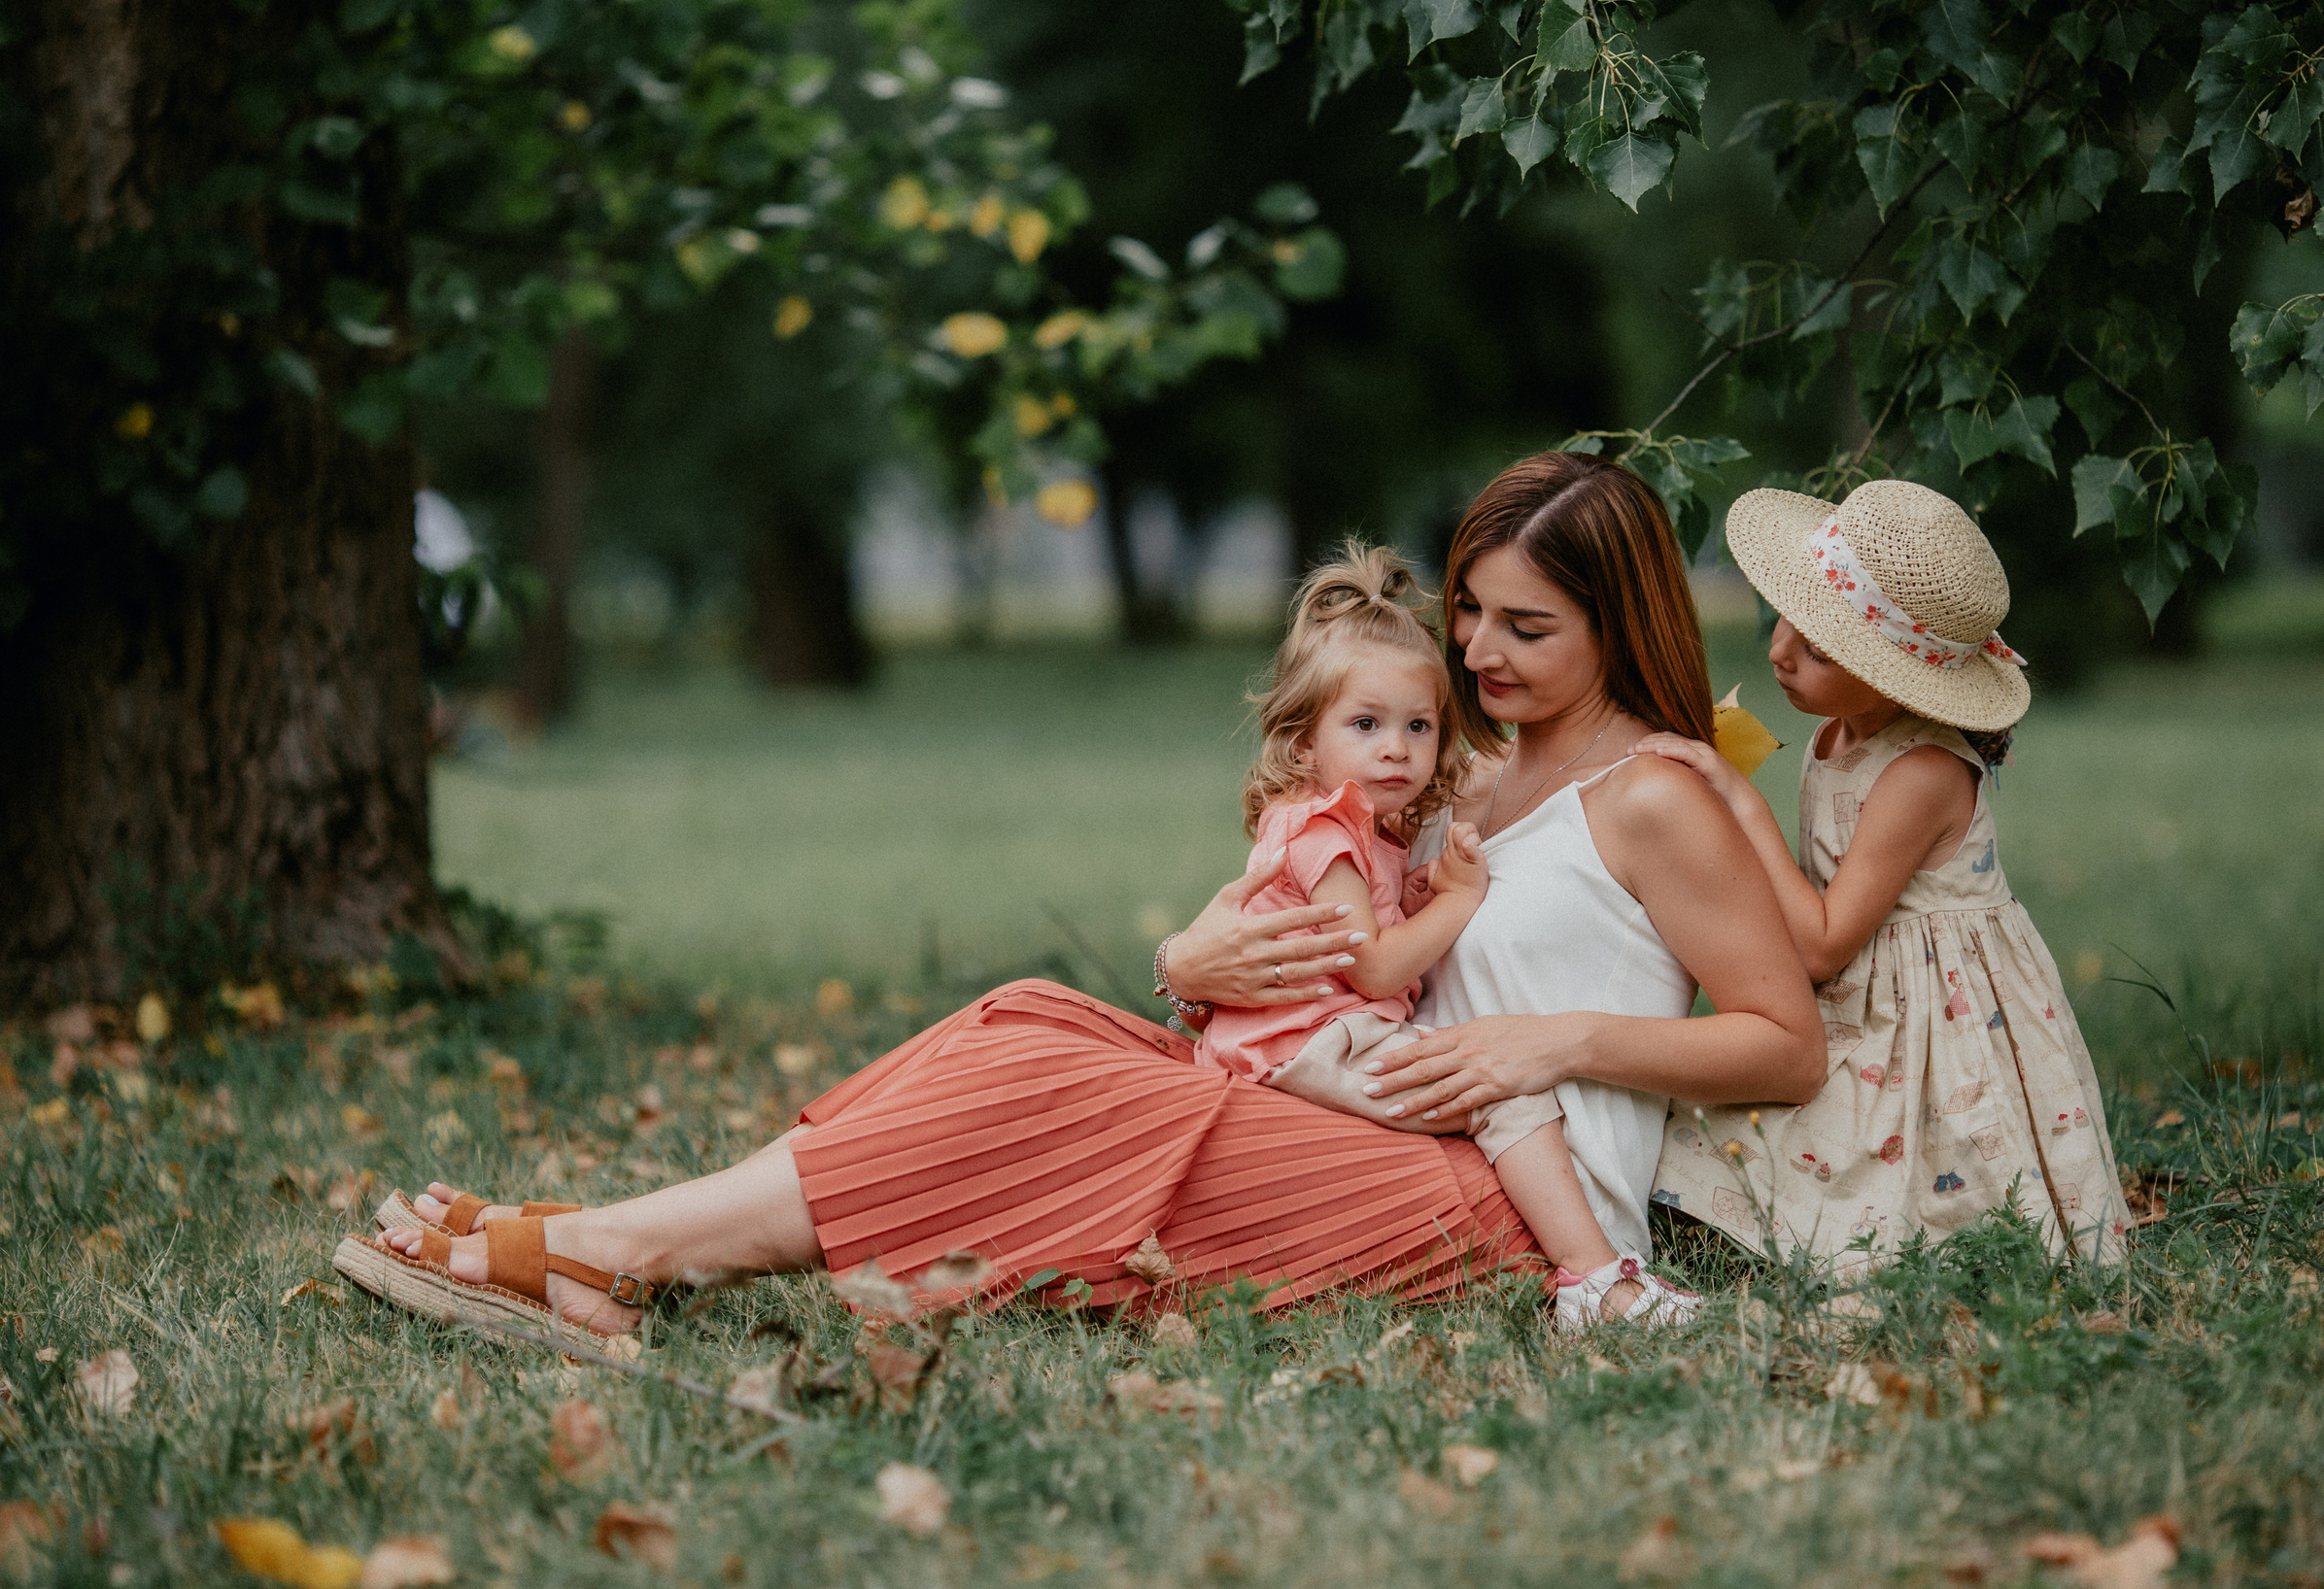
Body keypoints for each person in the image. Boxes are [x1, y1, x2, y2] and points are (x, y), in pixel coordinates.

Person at [332, 453, 1825, 1348]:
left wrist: (1550, 1042)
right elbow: (1329, 936)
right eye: (1471, 618)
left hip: (1502, 1195)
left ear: (1617, 620)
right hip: (1377, 1110)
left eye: (1529, 627)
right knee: (1033, 1014)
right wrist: (1195, 955)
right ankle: (625, 1236)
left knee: (1074, 1091)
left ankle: (618, 1251)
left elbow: (1783, 1040)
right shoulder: (1464, 776)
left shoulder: (1659, 792)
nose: (1481, 654)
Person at [1195, 542, 1695, 1330]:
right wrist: (1459, 901)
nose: (1397, 746)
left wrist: (1419, 889)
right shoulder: (1323, 831)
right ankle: (1598, 1285)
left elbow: (1365, 930)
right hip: (1317, 1042)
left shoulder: (1363, 829)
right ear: (1302, 743)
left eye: (1419, 725)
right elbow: (1377, 966)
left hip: (1310, 1036)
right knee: (1505, 1092)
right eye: (1366, 723)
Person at [1633, 480, 2132, 1269]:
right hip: (1862, 998)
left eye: (1822, 648)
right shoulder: (1837, 730)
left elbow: (1825, 942)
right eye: (1788, 617)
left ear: (1897, 673)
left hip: (1932, 1014)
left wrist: (1742, 804)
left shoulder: (1922, 771)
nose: (1780, 651)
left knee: (1922, 1193)